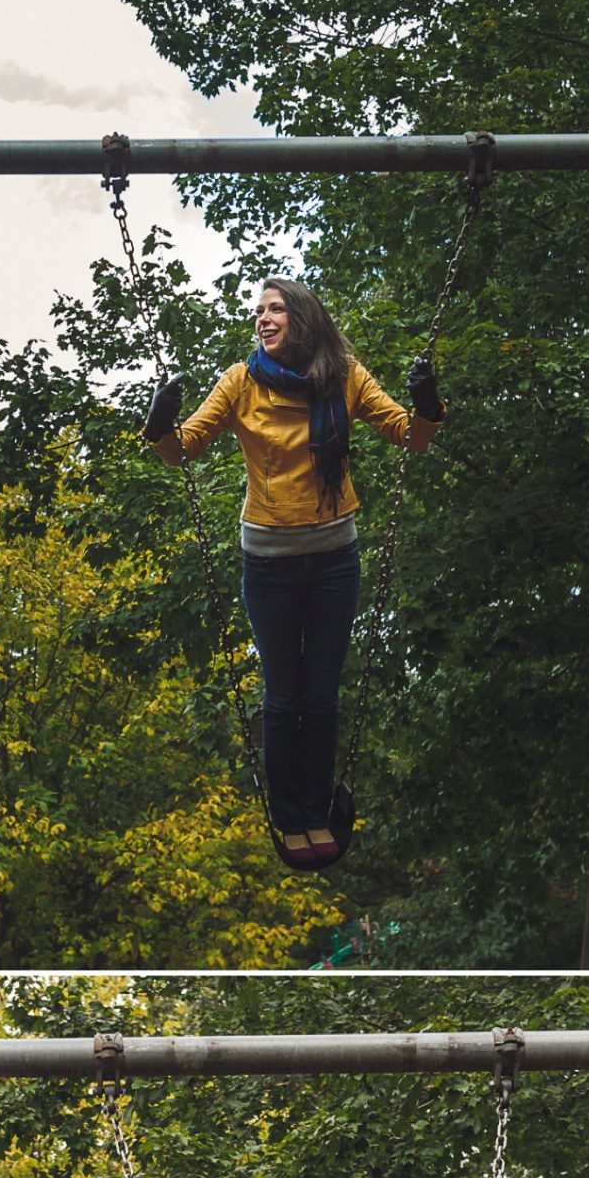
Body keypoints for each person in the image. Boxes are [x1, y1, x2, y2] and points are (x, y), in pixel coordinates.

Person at [141, 281, 445, 867]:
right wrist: (159, 426)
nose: (262, 319)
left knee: (322, 694)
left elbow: (409, 436)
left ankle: (318, 806)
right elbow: (183, 451)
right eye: (258, 311)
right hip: (270, 562)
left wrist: (429, 407)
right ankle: (291, 817)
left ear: (303, 319)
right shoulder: (239, 382)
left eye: (275, 309)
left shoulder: (345, 375)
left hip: (335, 558)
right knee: (283, 695)